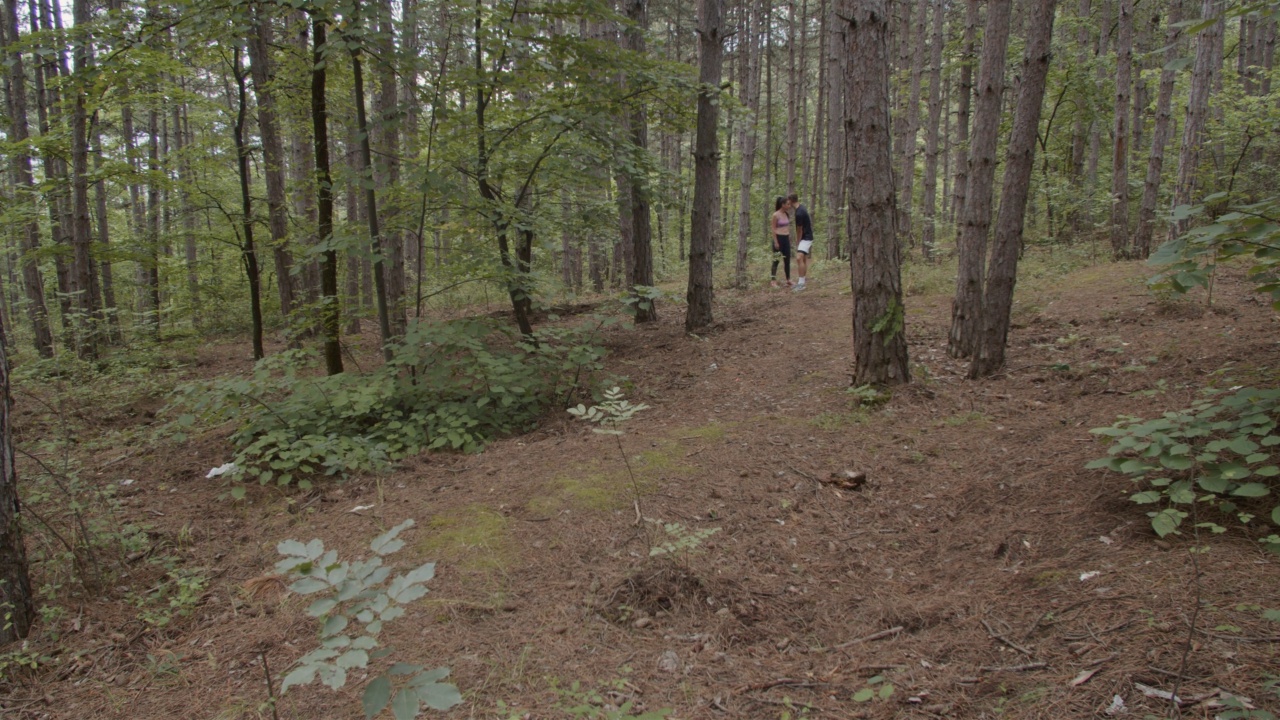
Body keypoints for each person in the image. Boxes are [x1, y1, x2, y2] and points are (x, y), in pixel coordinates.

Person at [789, 193, 813, 291]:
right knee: (803, 259)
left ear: (791, 200)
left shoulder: (799, 212)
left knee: (799, 258)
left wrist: (798, 241)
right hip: (807, 237)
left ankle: (801, 284)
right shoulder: (800, 208)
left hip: (805, 238)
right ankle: (802, 282)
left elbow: (800, 229)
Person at [770, 196, 793, 288]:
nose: (789, 205)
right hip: (778, 238)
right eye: (787, 204)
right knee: (776, 260)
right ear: (782, 205)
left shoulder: (786, 214)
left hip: (786, 239)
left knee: (787, 260)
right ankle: (773, 280)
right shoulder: (775, 215)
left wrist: (788, 238)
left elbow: (787, 227)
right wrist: (776, 242)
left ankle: (788, 279)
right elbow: (773, 228)